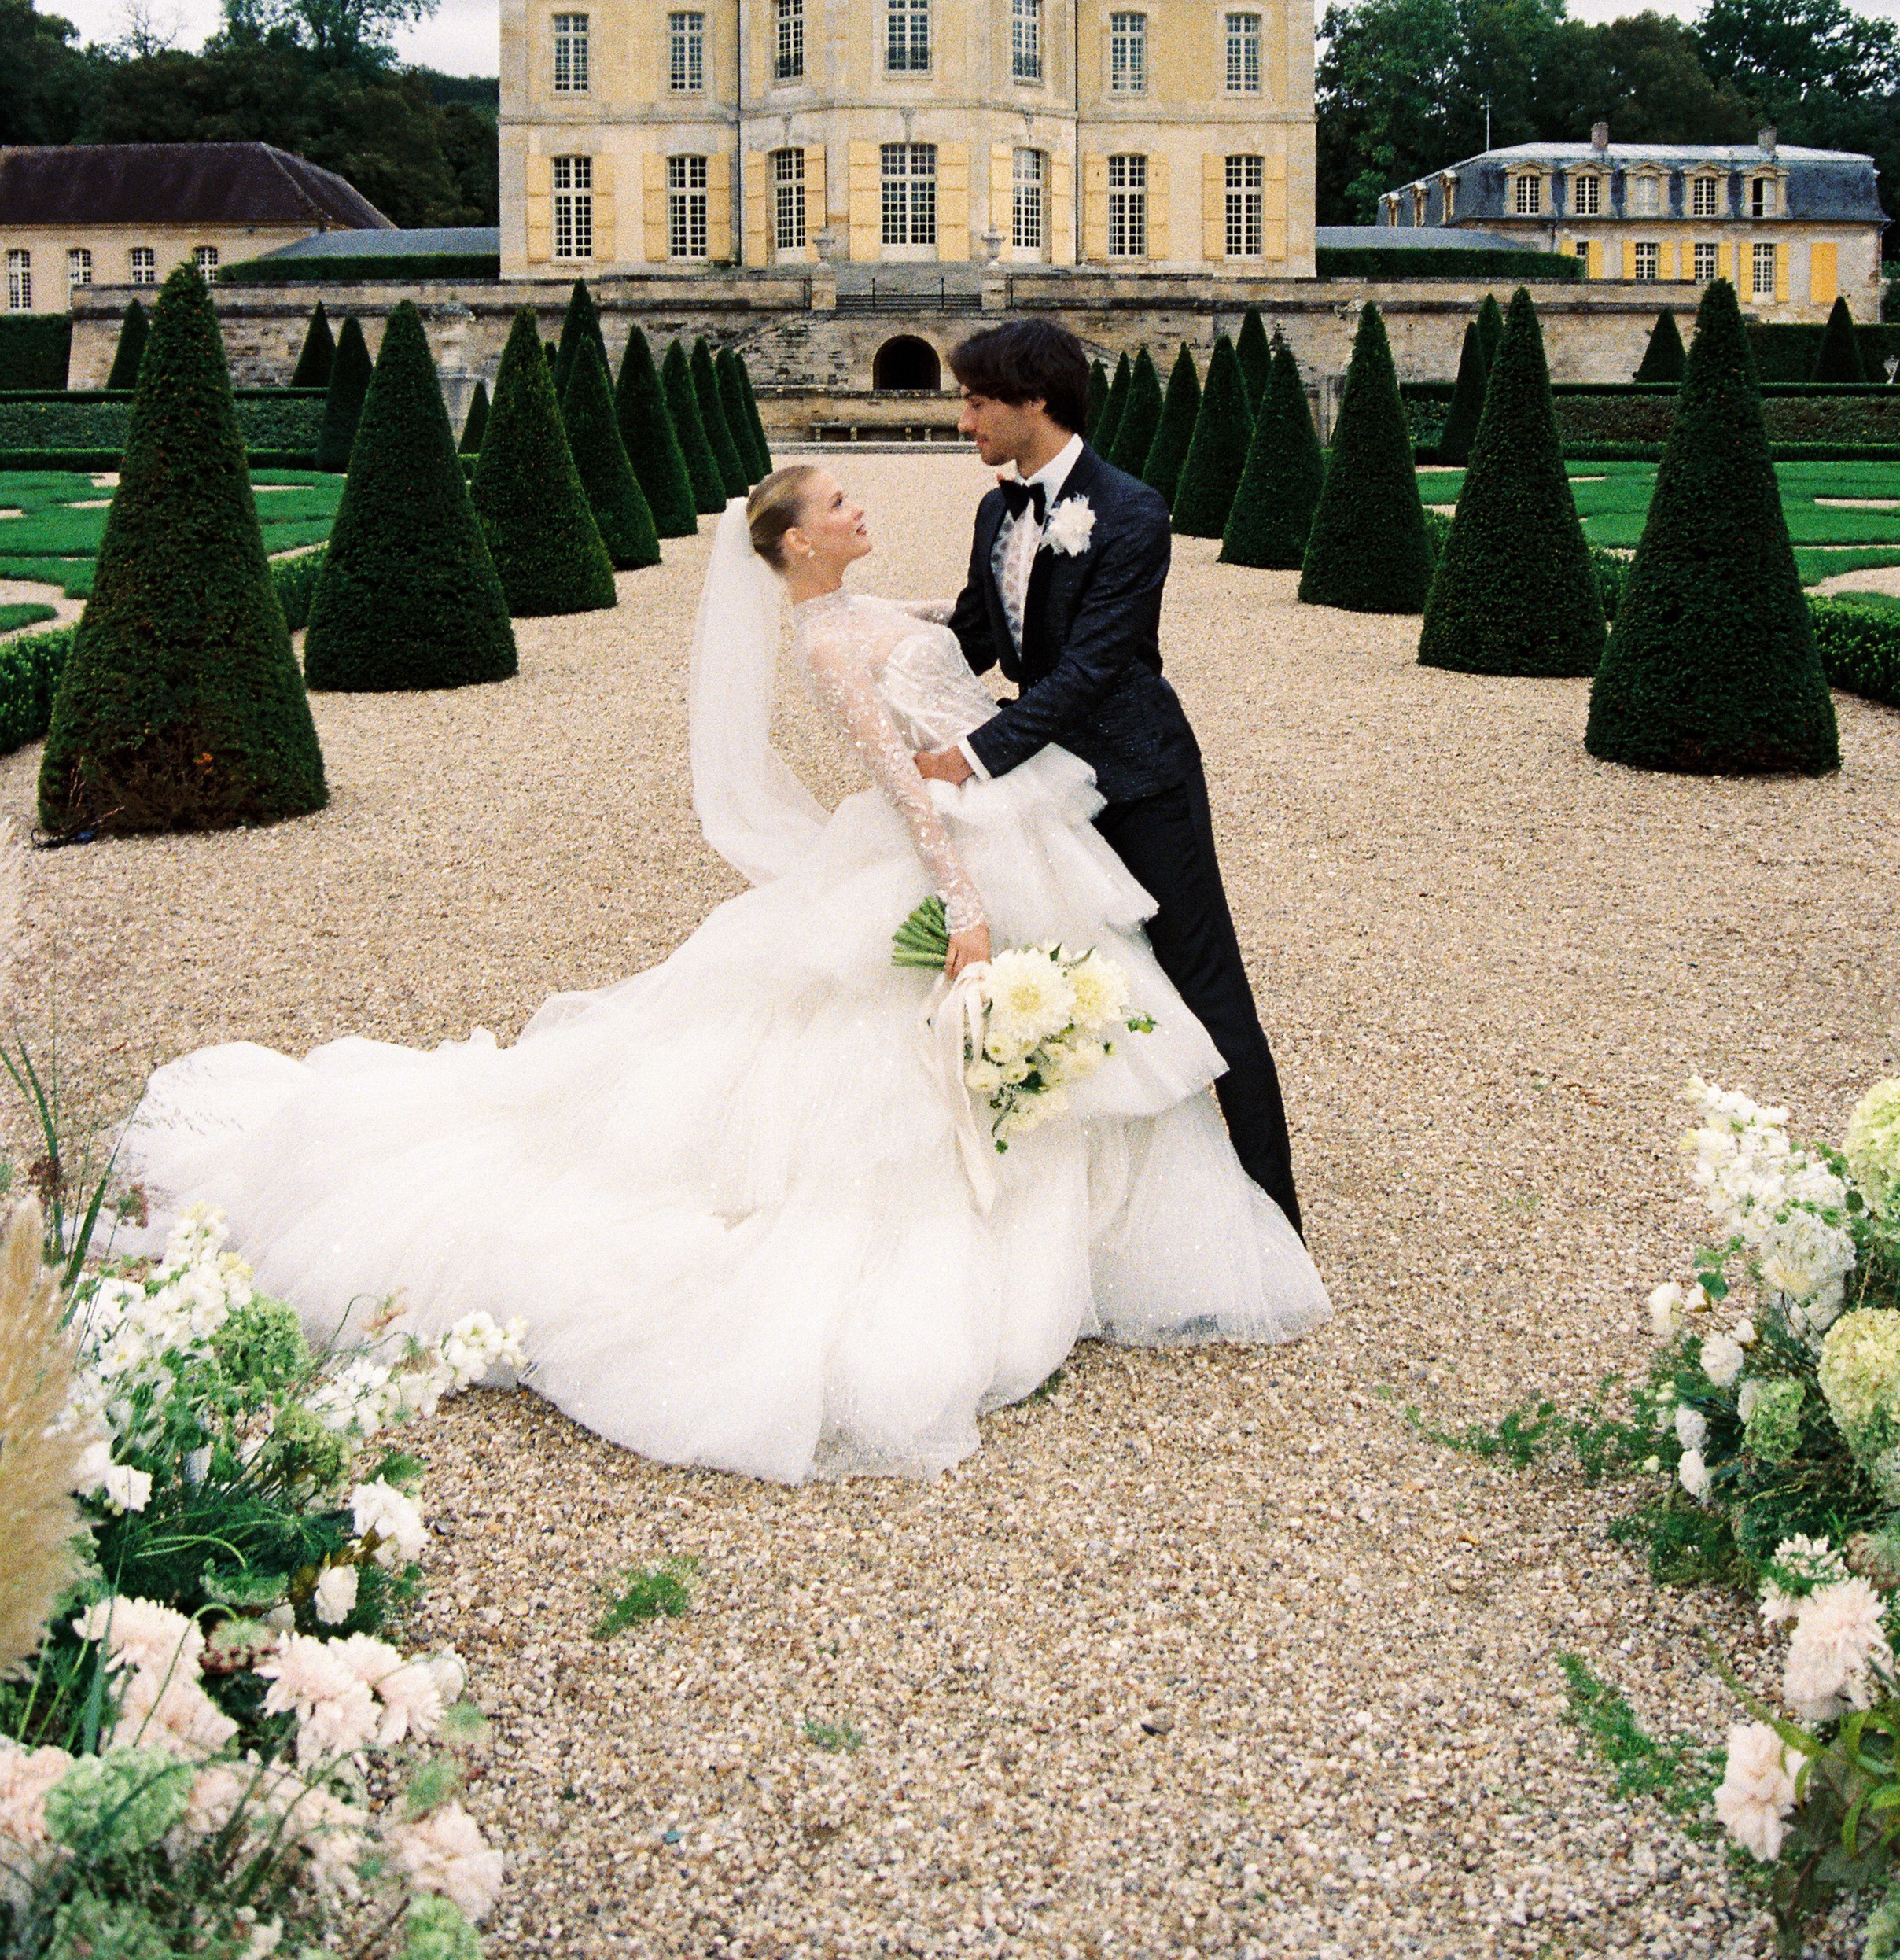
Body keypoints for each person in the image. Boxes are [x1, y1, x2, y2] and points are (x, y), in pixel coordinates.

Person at [120, 464, 1326, 1484]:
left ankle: (1123, 1226)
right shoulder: (828, 640)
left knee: (1097, 1017)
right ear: (799, 539)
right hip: (963, 851)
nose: (861, 509)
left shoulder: (859, 610)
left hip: (1028, 825)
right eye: (842, 502)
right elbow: (909, 781)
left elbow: (951, 642)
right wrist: (964, 911)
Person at [917, 319, 1304, 1230]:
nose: (964, 420)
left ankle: (1278, 1219)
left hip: (1137, 777)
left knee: (1206, 988)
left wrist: (968, 757)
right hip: (1044, 788)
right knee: (1077, 984)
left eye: (976, 402)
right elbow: (977, 635)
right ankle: (1110, 1217)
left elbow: (1092, 670)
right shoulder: (994, 510)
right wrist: (876, 658)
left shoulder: (1130, 508)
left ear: (1034, 401)